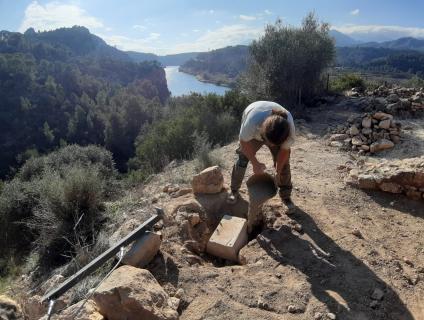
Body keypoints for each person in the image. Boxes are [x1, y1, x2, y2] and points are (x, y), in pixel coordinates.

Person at [228, 101, 296, 212]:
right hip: (255, 122)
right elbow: (244, 143)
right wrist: (255, 163)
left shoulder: (289, 130)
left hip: (275, 134)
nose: (271, 146)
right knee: (242, 158)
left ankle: (286, 197)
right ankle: (234, 191)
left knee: (284, 164)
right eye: (269, 143)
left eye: (275, 144)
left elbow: (284, 152)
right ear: (262, 132)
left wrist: (278, 171)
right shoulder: (252, 122)